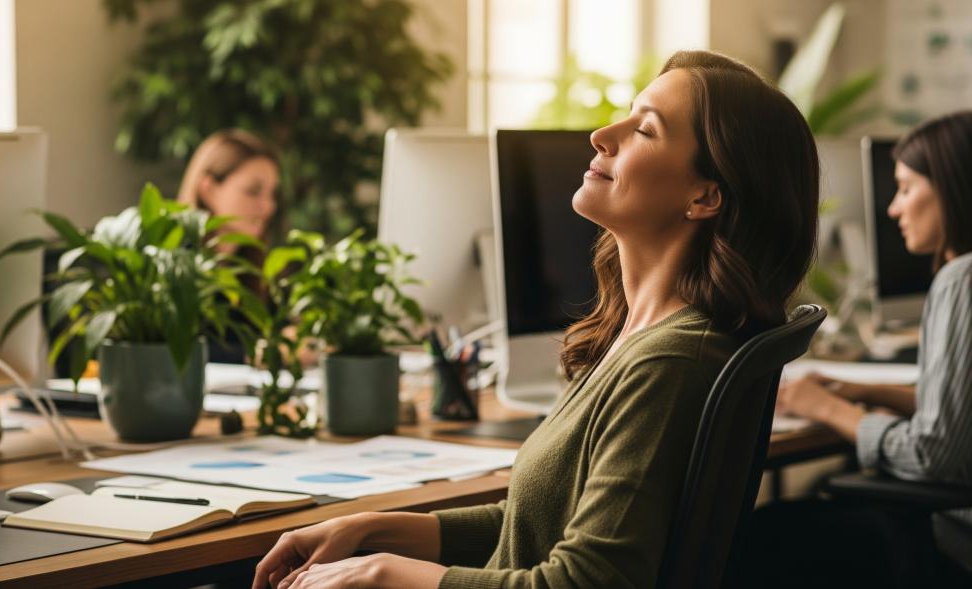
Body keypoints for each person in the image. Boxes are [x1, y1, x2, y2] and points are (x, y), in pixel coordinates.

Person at [250, 50, 819, 589]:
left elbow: (587, 581)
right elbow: (537, 523)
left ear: (704, 197)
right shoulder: (644, 337)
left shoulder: (668, 362)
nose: (601, 136)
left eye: (644, 130)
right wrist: (372, 528)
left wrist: (380, 574)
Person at [739, 111, 972, 588]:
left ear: (951, 187)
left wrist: (823, 406)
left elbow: (934, 456)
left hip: (955, 538)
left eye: (906, 188)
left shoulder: (962, 279)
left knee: (758, 536)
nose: (893, 208)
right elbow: (961, 420)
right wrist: (863, 391)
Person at [177, 128, 281, 251]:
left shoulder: (260, 267)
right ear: (208, 190)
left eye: (273, 193)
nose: (269, 206)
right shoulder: (165, 264)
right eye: (253, 191)